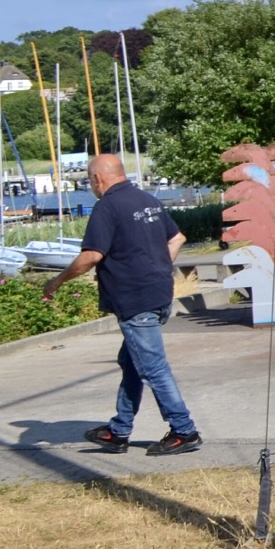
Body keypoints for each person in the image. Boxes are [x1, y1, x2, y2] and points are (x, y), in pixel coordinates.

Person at [43, 153, 197, 454]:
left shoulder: (108, 206)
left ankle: (184, 431)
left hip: (135, 301)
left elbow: (91, 256)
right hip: (159, 294)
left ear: (97, 178)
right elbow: (177, 237)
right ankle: (118, 431)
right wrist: (159, 269)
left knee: (153, 368)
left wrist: (56, 281)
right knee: (131, 363)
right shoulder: (147, 199)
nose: (91, 186)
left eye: (89, 181)